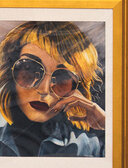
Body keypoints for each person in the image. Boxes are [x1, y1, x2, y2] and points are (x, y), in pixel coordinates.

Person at [0, 21, 105, 157]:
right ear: (10, 73)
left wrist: (109, 125)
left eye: (62, 78)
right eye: (29, 69)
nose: (44, 90)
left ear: (77, 90)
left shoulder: (91, 148)